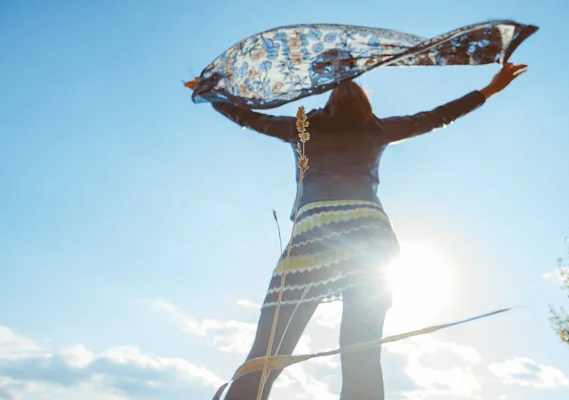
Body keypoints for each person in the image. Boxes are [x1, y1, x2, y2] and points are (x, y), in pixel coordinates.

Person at [209, 62, 527, 400]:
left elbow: (249, 117)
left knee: (267, 353)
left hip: (315, 236)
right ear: (365, 105)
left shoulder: (302, 128)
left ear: (328, 103)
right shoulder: (378, 130)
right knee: (362, 353)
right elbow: (436, 116)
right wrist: (489, 90)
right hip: (372, 239)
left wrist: (211, 95)